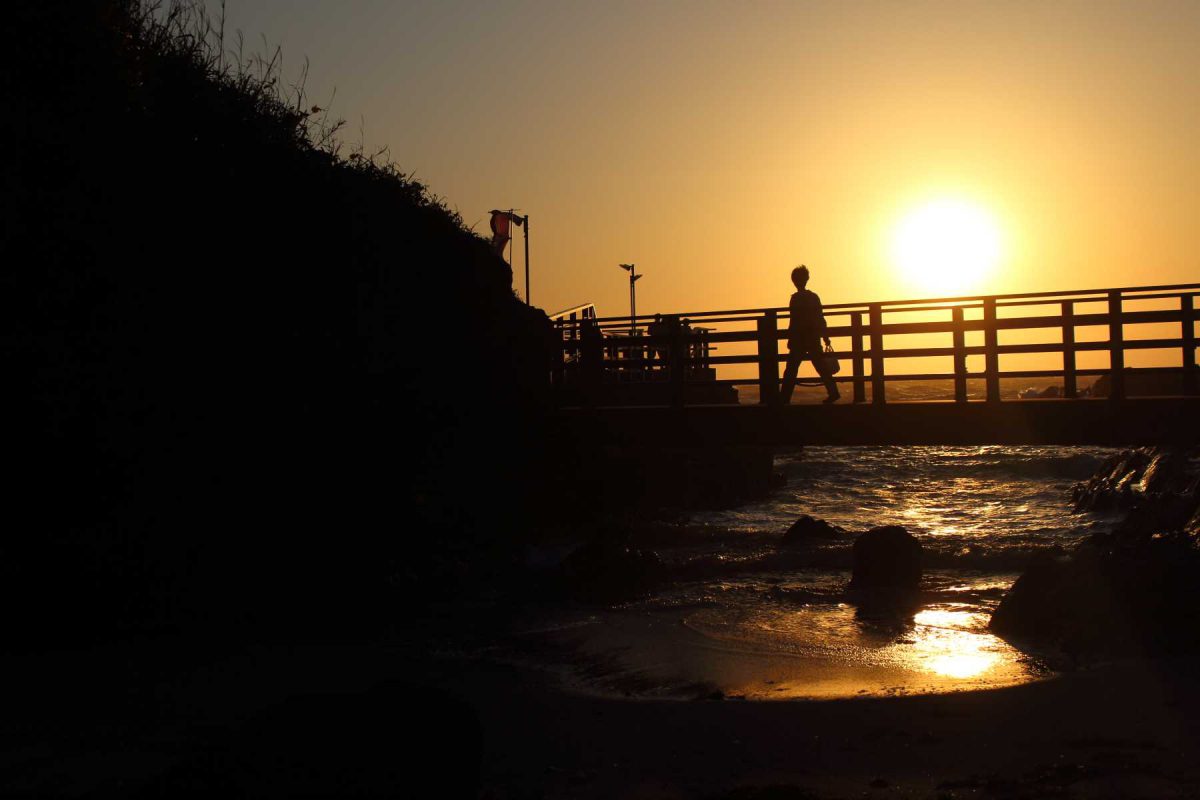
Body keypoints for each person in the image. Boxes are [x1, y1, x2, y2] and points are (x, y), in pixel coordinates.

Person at [780, 264, 840, 404]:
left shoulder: (795, 298)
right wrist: (825, 337)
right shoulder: (813, 297)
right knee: (821, 366)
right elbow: (820, 318)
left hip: (799, 339)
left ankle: (784, 398)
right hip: (813, 337)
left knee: (791, 369)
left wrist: (790, 338)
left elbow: (794, 320)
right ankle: (833, 392)